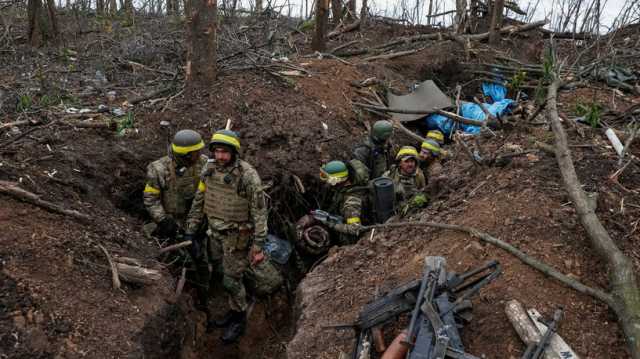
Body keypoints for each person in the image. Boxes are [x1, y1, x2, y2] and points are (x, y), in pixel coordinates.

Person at [184, 129, 272, 344]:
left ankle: (239, 319)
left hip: (236, 237)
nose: (221, 156)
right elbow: (200, 199)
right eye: (217, 152)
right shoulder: (209, 168)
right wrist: (191, 229)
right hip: (213, 234)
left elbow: (260, 212)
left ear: (234, 152)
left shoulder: (247, 175)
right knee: (222, 273)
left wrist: (259, 245)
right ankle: (233, 311)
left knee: (231, 281)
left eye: (225, 152)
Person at [143, 129, 207, 239]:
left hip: (197, 219)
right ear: (185, 155)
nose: (199, 154)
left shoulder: (203, 162)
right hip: (173, 222)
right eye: (195, 152)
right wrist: (163, 220)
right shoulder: (159, 169)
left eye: (199, 150)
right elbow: (151, 200)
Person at [383, 146, 427, 216]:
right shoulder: (390, 175)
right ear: (400, 163)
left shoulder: (419, 176)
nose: (410, 164)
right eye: (406, 161)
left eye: (412, 161)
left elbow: (424, 193)